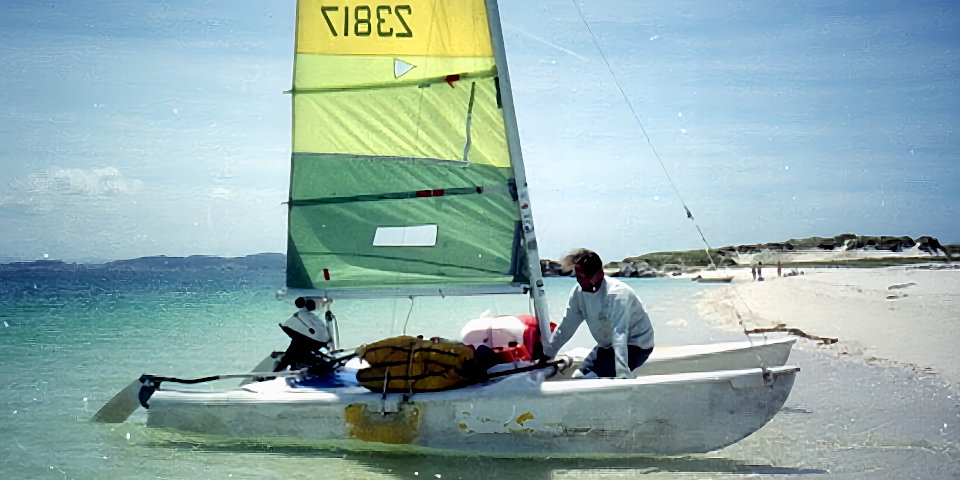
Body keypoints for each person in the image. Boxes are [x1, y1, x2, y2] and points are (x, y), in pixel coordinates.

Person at [540, 249, 654, 379]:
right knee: (578, 376)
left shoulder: (617, 294)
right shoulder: (578, 293)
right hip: (607, 346)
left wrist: (622, 373)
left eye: (584, 277)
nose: (580, 282)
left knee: (589, 378)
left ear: (599, 273)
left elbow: (619, 333)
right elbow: (567, 326)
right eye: (578, 276)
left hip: (636, 345)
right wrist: (548, 354)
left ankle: (629, 378)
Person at [277, 298, 331, 371]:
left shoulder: (299, 316)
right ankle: (292, 362)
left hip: (310, 341)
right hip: (317, 342)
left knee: (294, 347)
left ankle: (284, 365)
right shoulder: (312, 318)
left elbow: (289, 328)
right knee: (296, 347)